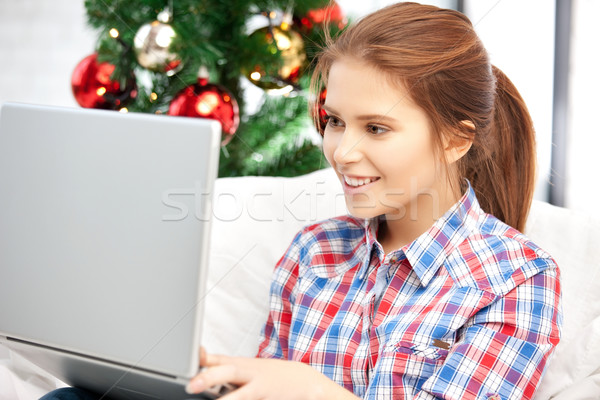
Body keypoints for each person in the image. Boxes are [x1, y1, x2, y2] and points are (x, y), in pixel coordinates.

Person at [41, 2, 561, 399]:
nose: (342, 151)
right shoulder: (315, 251)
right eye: (334, 121)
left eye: (377, 128)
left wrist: (310, 388)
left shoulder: (517, 276)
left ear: (455, 139)